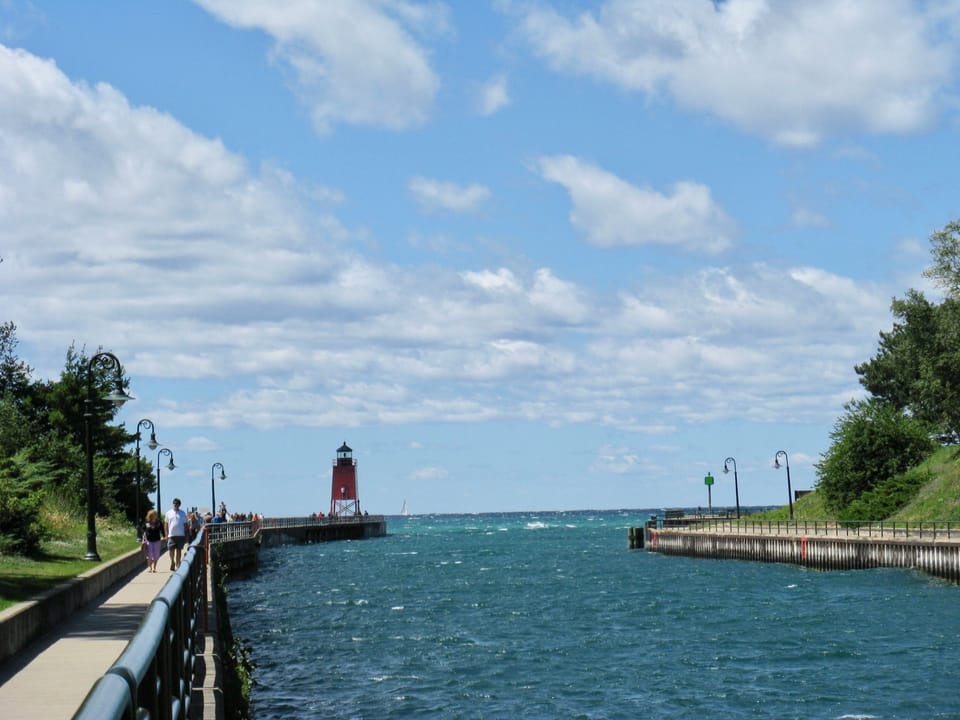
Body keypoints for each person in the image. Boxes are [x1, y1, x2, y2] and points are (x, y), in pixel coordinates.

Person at [164, 498, 188, 571]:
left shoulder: (182, 513)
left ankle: (177, 564)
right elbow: (166, 524)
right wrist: (166, 534)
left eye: (177, 503)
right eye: (174, 503)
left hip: (181, 535)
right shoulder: (168, 513)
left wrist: (186, 535)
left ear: (179, 505)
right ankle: (172, 562)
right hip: (171, 535)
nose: (175, 505)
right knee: (171, 549)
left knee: (179, 550)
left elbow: (185, 525)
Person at [141, 509, 164, 573]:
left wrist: (164, 536)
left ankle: (154, 568)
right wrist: (143, 534)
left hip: (157, 540)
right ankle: (150, 567)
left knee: (156, 555)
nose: (155, 515)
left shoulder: (158, 522)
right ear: (150, 515)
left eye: (155, 514)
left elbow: (162, 529)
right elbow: (142, 529)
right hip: (149, 540)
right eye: (153, 514)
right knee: (149, 554)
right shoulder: (147, 522)